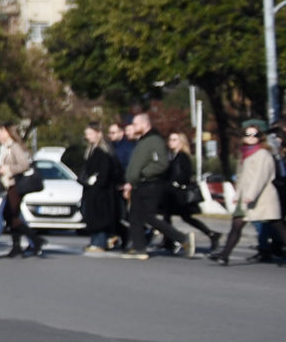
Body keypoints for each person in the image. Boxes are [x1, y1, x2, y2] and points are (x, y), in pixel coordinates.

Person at [211, 122, 281, 266]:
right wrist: (238, 195)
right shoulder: (244, 154)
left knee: (277, 225)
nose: (251, 137)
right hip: (245, 197)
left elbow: (260, 177)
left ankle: (225, 254)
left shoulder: (263, 154)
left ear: (260, 137)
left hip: (262, 197)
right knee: (236, 225)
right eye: (248, 134)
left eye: (255, 134)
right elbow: (241, 177)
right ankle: (224, 255)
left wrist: (251, 195)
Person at [122, 110, 173, 260]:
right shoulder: (142, 141)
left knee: (147, 216)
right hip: (137, 184)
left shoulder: (154, 140)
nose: (133, 126)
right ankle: (140, 248)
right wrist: (130, 181)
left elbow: (161, 163)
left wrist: (143, 174)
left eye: (136, 124)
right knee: (134, 217)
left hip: (149, 184)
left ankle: (181, 238)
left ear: (145, 124)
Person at [163, 128, 221, 258]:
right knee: (172, 216)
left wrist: (175, 183)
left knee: (178, 216)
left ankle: (170, 240)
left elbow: (185, 174)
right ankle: (168, 241)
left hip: (179, 194)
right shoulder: (174, 156)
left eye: (174, 140)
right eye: (170, 139)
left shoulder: (182, 156)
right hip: (173, 193)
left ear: (181, 142)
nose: (170, 142)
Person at [0, 123, 41, 259]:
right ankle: (18, 246)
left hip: (16, 185)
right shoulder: (5, 147)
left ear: (6, 132)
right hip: (10, 185)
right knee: (13, 215)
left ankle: (35, 240)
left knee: (8, 215)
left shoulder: (14, 146)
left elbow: (24, 165)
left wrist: (7, 169)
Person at [78, 123, 124, 254]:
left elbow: (105, 172)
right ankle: (97, 240)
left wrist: (96, 183)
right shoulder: (92, 150)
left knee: (98, 217)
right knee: (91, 215)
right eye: (87, 134)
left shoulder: (101, 151)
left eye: (90, 133)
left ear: (98, 133)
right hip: (94, 189)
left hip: (100, 191)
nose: (88, 137)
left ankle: (100, 242)